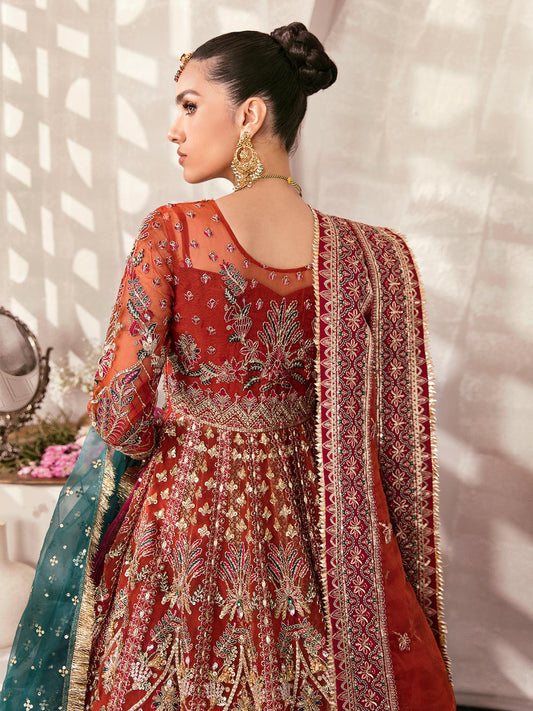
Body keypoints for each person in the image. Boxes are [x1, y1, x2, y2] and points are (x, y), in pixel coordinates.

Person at [1, 22, 456, 711]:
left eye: (189, 105)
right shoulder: (367, 254)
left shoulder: (174, 232)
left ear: (249, 115)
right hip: (313, 523)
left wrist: (169, 440)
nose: (174, 129)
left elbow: (120, 409)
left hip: (183, 516)